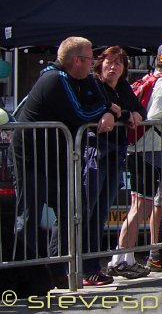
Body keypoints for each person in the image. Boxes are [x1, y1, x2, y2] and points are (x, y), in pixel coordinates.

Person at [13, 37, 115, 289]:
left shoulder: (83, 79)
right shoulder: (55, 78)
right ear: (76, 61)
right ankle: (20, 275)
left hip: (59, 156)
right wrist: (107, 111)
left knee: (70, 212)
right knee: (29, 216)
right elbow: (80, 113)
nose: (94, 65)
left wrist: (108, 109)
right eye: (91, 60)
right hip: (33, 157)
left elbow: (103, 100)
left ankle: (57, 270)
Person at [110, 41, 162, 276]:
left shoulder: (153, 78)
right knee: (140, 207)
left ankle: (122, 256)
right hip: (150, 148)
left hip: (139, 147)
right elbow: (154, 115)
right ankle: (121, 258)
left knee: (138, 206)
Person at [80, 46, 145, 286]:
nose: (113, 67)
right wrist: (121, 113)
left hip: (115, 154)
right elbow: (98, 110)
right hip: (94, 154)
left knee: (100, 213)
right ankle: (81, 267)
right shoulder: (93, 84)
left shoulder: (124, 87)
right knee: (87, 211)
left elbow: (138, 110)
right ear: (99, 64)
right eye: (109, 62)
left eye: (118, 63)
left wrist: (127, 113)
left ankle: (91, 267)